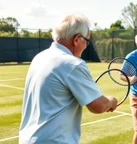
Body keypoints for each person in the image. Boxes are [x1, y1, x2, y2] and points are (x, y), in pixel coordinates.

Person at [19, 14, 118, 144]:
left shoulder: (39, 57)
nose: (86, 46)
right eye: (86, 41)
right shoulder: (73, 64)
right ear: (77, 39)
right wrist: (111, 101)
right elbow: (98, 106)